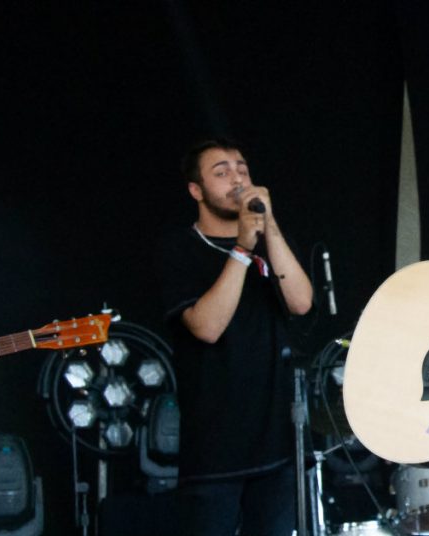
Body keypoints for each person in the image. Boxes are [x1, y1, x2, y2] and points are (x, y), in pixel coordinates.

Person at [159, 139, 313, 536]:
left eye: (242, 169)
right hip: (214, 454)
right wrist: (243, 248)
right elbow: (207, 327)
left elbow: (301, 302)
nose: (237, 179)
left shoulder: (272, 244)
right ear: (196, 190)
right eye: (222, 172)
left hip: (278, 446)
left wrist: (269, 226)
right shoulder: (180, 249)